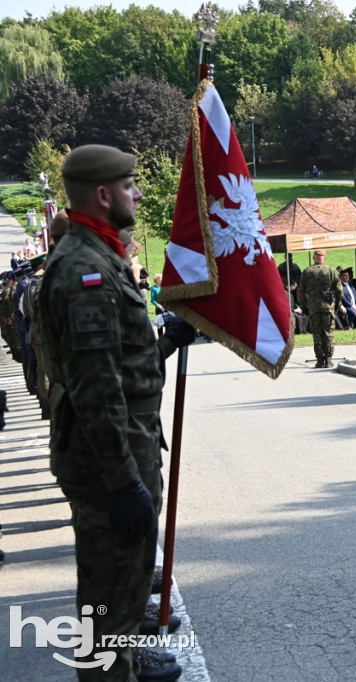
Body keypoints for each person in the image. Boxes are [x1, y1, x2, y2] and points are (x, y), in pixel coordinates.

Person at [37, 144, 194, 682]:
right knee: (106, 616)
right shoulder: (86, 270)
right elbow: (96, 390)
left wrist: (168, 340)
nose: (138, 193)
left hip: (123, 454)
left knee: (120, 602)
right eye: (129, 186)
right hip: (110, 467)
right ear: (102, 196)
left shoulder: (101, 256)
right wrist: (126, 483)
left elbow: (120, 362)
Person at [297, 249, 341, 368]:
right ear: (324, 258)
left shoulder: (307, 271)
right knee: (328, 332)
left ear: (314, 258)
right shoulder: (331, 271)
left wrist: (303, 305)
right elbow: (339, 289)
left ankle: (320, 360)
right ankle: (329, 359)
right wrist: (337, 303)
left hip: (313, 306)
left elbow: (300, 291)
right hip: (328, 306)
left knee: (317, 333)